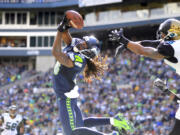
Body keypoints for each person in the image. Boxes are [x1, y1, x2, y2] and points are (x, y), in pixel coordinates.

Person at [52, 13, 134, 135]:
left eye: (84, 44)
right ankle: (113, 120)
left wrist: (59, 31)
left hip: (66, 97)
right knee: (80, 125)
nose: (80, 43)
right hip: (66, 94)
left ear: (88, 51)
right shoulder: (77, 49)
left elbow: (56, 53)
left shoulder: (78, 60)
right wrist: (65, 26)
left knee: (72, 133)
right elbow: (67, 38)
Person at [109, 18, 180, 135]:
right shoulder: (175, 45)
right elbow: (150, 43)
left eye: (163, 34)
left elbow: (144, 51)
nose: (161, 37)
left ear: (171, 33)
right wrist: (167, 91)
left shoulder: (172, 47)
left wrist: (124, 41)